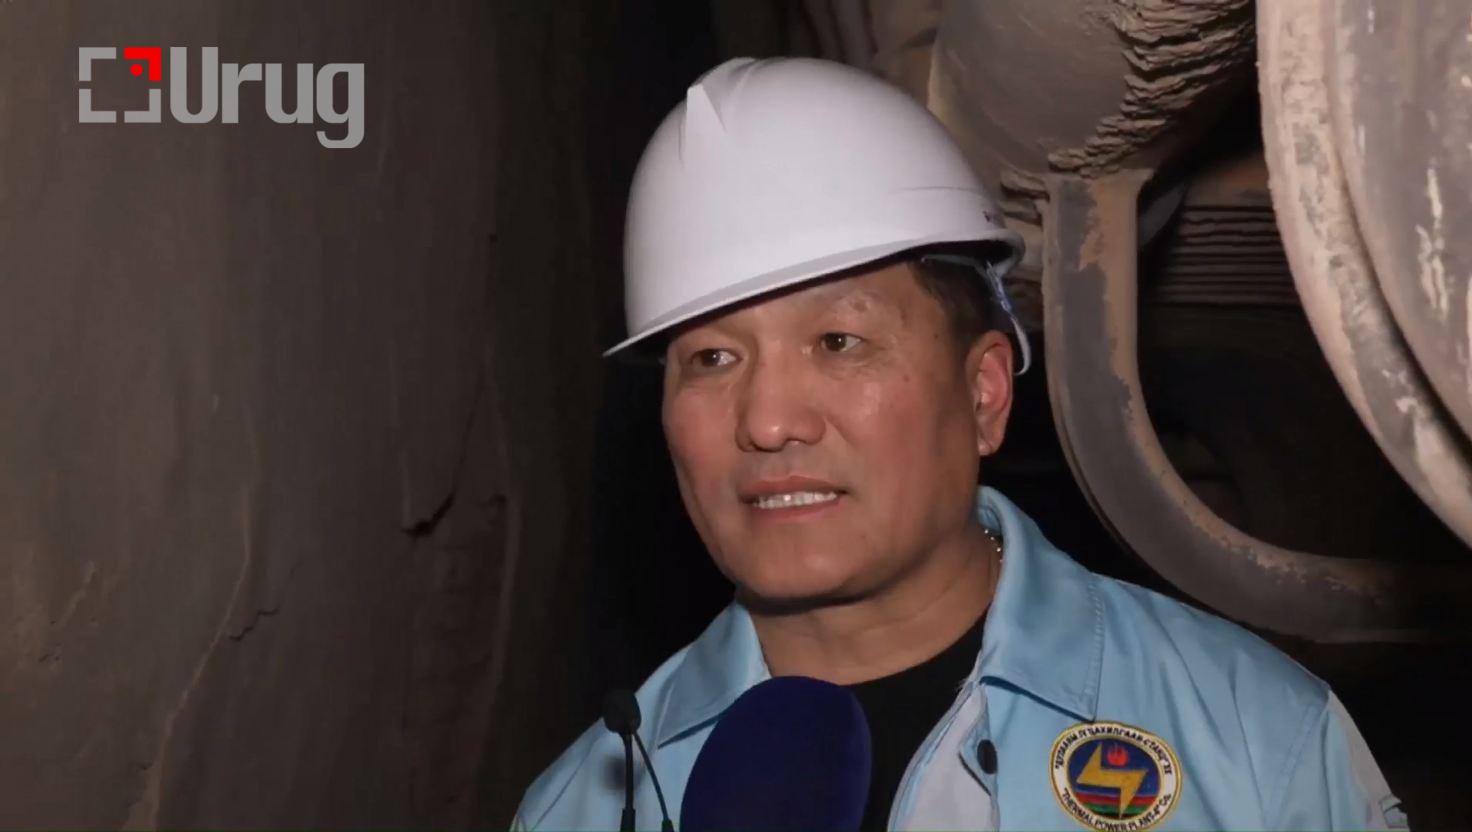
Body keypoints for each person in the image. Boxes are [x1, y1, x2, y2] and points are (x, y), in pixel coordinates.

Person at [513, 57, 1407, 832]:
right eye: (711, 358)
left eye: (838, 342)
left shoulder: (1255, 743)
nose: (768, 421)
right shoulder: (583, 807)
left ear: (983, 392)